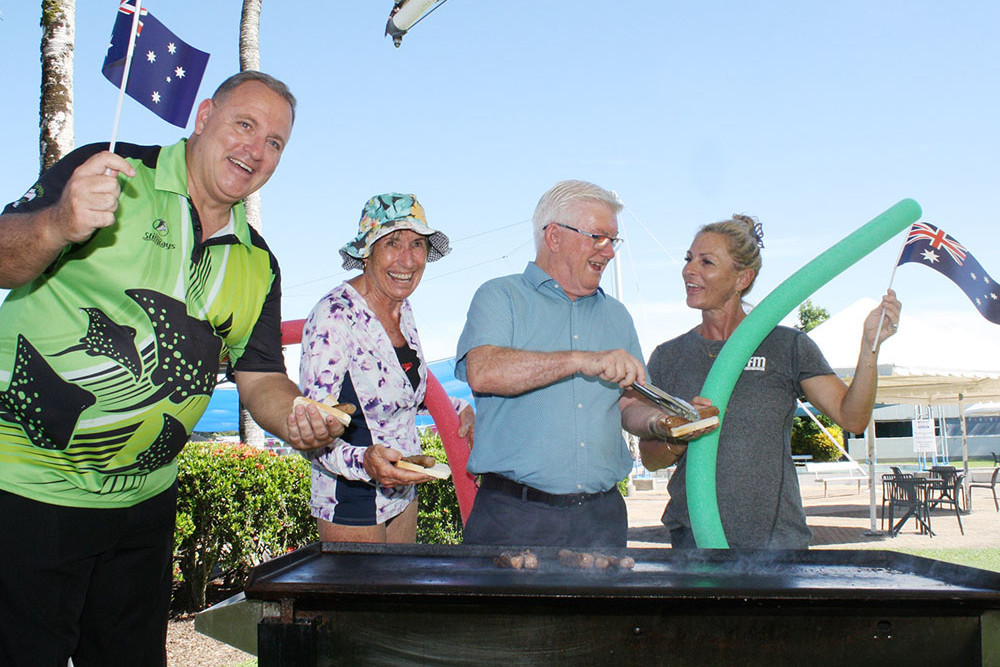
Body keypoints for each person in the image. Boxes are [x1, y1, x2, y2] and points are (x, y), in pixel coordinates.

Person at [0, 71, 345, 666]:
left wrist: (298, 414)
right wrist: (58, 222)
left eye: (275, 143)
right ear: (204, 115)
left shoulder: (259, 263)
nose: (255, 150)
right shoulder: (110, 175)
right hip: (25, 496)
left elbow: (261, 379)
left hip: (143, 512)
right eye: (245, 124)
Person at [455, 179, 712, 548]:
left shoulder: (617, 316)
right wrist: (581, 360)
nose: (608, 252)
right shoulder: (501, 296)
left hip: (601, 518)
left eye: (613, 240)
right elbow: (484, 371)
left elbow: (628, 403)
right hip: (512, 517)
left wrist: (664, 422)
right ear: (554, 236)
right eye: (597, 237)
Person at [640, 214, 901, 549]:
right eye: (689, 259)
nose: (689, 270)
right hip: (694, 538)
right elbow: (650, 457)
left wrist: (870, 347)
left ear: (741, 278)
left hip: (777, 543)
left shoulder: (787, 346)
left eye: (706, 262)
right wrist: (680, 433)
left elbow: (853, 417)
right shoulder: (669, 356)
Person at [299, 193, 474, 544]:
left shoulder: (402, 310)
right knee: (362, 601)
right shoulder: (334, 316)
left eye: (417, 244)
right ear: (367, 252)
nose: (407, 259)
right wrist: (365, 461)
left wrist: (460, 409)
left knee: (396, 597)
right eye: (392, 242)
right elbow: (310, 433)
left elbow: (406, 392)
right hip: (349, 494)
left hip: (402, 491)